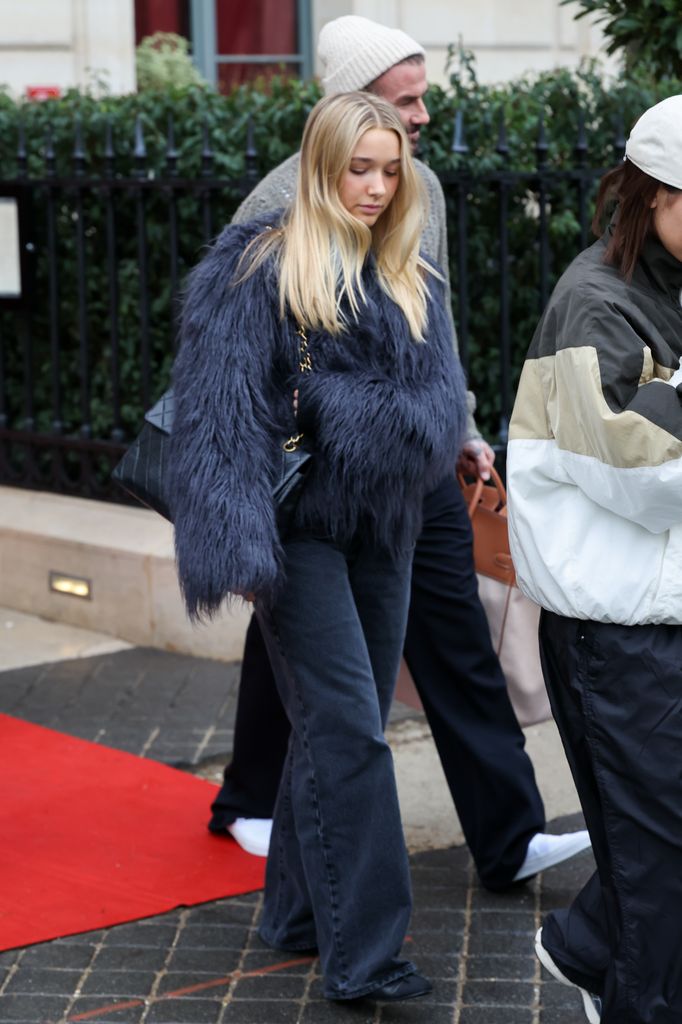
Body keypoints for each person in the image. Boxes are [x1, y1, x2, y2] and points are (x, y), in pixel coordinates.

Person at [209, 14, 591, 891]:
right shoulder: (275, 203)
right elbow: (238, 360)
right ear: (348, 104)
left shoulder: (425, 191)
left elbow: (436, 321)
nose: (419, 117)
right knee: (301, 659)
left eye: (421, 100)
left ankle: (508, 835)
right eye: (404, 98)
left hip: (415, 459)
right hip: (320, 485)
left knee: (454, 630)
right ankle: (252, 806)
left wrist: (458, 428)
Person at [170, 91, 468, 1001]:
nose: (377, 187)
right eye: (359, 167)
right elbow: (216, 421)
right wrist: (242, 550)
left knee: (341, 729)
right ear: (319, 165)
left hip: (385, 526)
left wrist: (361, 413)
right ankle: (367, 955)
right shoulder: (257, 265)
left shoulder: (408, 271)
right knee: (349, 737)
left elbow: (439, 410)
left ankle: (295, 914)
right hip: (296, 532)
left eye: (391, 168)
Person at [506, 94, 682, 1024]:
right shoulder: (593, 301)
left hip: (657, 614)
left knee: (656, 846)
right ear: (652, 197)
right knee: (657, 856)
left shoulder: (666, 283)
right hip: (616, 630)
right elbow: (635, 475)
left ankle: (584, 948)